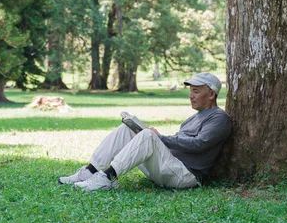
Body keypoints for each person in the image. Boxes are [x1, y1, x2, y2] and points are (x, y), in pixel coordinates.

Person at [59, 72, 232, 192]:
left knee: (148, 135)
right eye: (190, 91)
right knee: (128, 128)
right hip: (169, 166)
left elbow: (199, 144)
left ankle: (107, 178)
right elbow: (179, 141)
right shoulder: (194, 117)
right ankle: (91, 170)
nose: (191, 96)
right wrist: (154, 137)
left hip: (185, 176)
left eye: (196, 91)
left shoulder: (218, 118)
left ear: (211, 94)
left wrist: (159, 138)